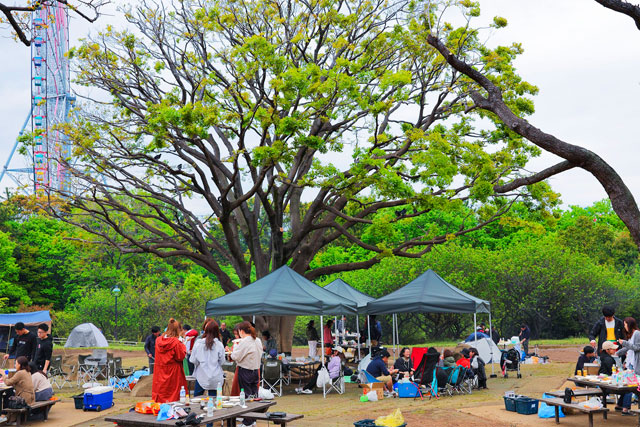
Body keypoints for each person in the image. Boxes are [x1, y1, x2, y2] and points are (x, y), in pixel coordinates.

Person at [231, 321, 262, 427]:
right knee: (254, 395)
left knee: (247, 396)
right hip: (255, 370)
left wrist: (235, 346)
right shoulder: (257, 340)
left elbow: (235, 357)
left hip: (245, 370)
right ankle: (253, 419)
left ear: (241, 331)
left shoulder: (244, 342)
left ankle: (247, 421)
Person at [152, 318, 188, 403]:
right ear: (178, 330)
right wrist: (183, 344)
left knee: (161, 393)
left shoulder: (158, 340)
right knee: (174, 395)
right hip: (173, 373)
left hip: (160, 372)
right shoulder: (176, 342)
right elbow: (180, 356)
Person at [190, 320, 225, 398]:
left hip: (201, 375)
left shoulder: (198, 343)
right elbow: (222, 361)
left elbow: (192, 360)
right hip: (215, 376)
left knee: (197, 399)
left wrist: (201, 362)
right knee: (214, 400)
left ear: (205, 330)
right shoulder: (219, 344)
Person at [615, 317, 640, 415]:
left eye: (625, 324)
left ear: (630, 324)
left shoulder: (637, 334)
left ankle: (625, 408)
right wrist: (617, 353)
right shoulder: (631, 335)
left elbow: (637, 347)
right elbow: (628, 347)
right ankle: (621, 405)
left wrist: (624, 342)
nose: (624, 326)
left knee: (631, 386)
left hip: (635, 364)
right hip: (630, 363)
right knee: (628, 385)